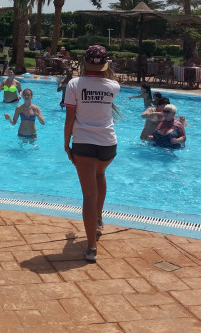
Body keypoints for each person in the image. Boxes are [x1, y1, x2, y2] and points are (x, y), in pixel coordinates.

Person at [63, 44, 121, 262]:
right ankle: (98, 219)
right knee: (100, 174)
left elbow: (70, 118)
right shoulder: (114, 86)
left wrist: (66, 144)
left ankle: (91, 248)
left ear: (85, 63)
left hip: (84, 144)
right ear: (105, 64)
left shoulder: (74, 84)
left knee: (88, 195)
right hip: (108, 144)